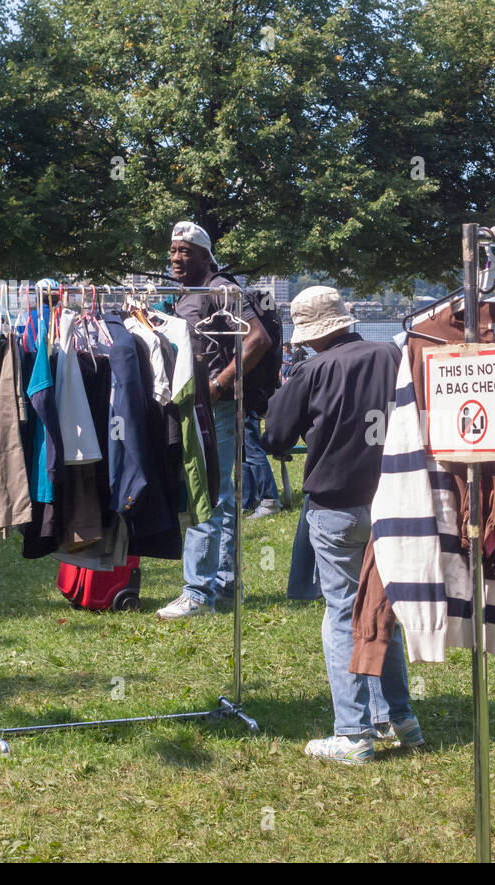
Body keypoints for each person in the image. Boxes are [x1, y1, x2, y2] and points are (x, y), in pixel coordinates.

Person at [262, 285, 421, 764]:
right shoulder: (393, 356)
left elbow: (274, 436)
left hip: (334, 505)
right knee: (381, 610)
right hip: (392, 500)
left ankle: (353, 733)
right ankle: (399, 718)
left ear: (311, 333)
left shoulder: (313, 369)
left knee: (342, 615)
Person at [157, 221, 272, 620]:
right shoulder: (193, 293)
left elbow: (257, 339)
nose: (175, 257)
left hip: (217, 409)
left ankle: (197, 592)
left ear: (205, 255)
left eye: (185, 251)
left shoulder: (220, 288)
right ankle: (223, 585)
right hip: (204, 407)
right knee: (219, 495)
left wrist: (219, 386)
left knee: (204, 493)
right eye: (172, 250)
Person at [241, 408, 282, 517]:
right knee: (244, 452)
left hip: (245, 403)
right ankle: (247, 502)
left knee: (252, 450)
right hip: (247, 403)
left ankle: (270, 501)